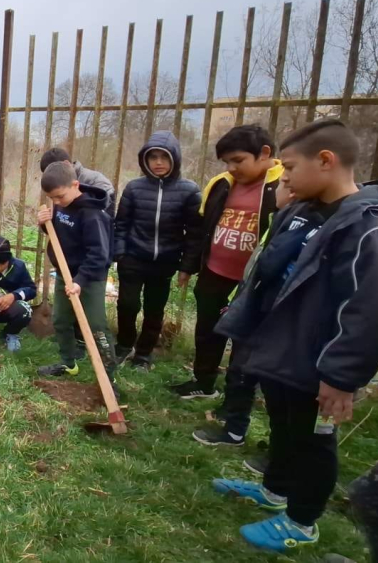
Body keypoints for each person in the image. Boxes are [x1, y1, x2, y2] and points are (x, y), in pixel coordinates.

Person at [210, 119, 378, 553]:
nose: (283, 177)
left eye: (290, 166)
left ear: (326, 161)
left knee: (312, 439)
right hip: (281, 345)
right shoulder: (302, 211)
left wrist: (341, 376)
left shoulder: (362, 226)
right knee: (284, 425)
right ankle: (275, 490)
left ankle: (303, 521)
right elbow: (268, 270)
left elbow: (364, 309)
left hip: (319, 359)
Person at [170, 125, 283, 400]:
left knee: (245, 340)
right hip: (214, 273)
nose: (231, 167)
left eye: (238, 160)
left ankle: (239, 395)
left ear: (264, 153)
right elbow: (202, 227)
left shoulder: (283, 186)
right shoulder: (220, 184)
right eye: (227, 162)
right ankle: (204, 381)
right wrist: (190, 265)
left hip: (252, 282)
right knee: (208, 331)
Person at [192, 181, 294, 448]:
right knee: (241, 369)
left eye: (286, 182)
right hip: (250, 297)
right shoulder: (281, 218)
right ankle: (235, 427)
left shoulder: (301, 223)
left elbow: (272, 266)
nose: (282, 186)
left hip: (271, 310)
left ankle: (276, 454)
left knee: (250, 369)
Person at [113, 131, 202, 369]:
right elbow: (121, 224)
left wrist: (186, 267)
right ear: (145, 160)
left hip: (164, 261)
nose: (159, 162)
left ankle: (143, 354)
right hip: (132, 258)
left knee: (154, 309)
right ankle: (123, 345)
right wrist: (120, 254)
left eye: (164, 157)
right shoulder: (134, 188)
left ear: (175, 159)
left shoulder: (189, 191)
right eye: (153, 157)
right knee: (128, 305)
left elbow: (194, 233)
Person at [35, 162, 116, 385]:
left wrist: (80, 281)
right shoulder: (62, 204)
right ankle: (68, 362)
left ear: (75, 184)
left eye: (60, 196)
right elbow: (61, 234)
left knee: (97, 327)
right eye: (53, 199)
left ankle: (109, 377)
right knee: (61, 320)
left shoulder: (92, 214)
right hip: (65, 274)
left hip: (89, 278)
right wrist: (45, 225)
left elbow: (99, 254)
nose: (57, 202)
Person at [39, 146, 116, 216]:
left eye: (54, 171)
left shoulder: (98, 182)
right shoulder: (59, 188)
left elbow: (103, 217)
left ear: (66, 164)